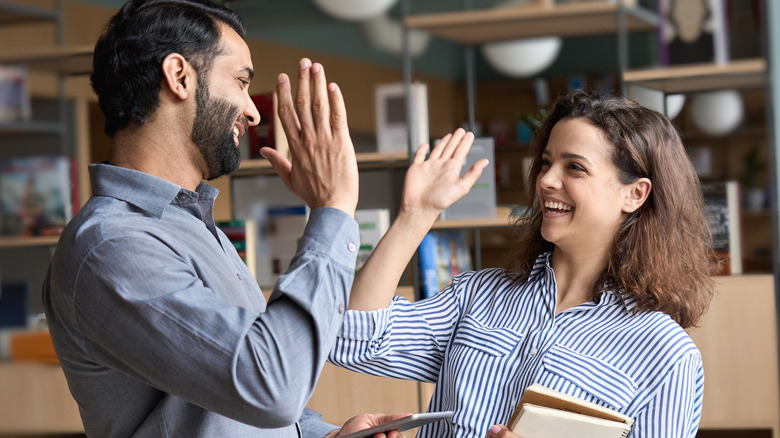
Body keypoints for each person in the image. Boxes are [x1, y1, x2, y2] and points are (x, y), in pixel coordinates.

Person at [42, 0, 479, 436]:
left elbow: (229, 402)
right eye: (241, 82)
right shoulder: (113, 246)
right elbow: (271, 387)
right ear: (179, 77)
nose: (253, 112)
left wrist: (326, 435)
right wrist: (333, 207)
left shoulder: (191, 226)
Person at [330, 89, 718, 438]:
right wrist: (416, 214)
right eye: (546, 162)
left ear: (635, 194)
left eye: (575, 167)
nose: (546, 180)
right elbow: (353, 339)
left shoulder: (666, 356)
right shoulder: (478, 295)